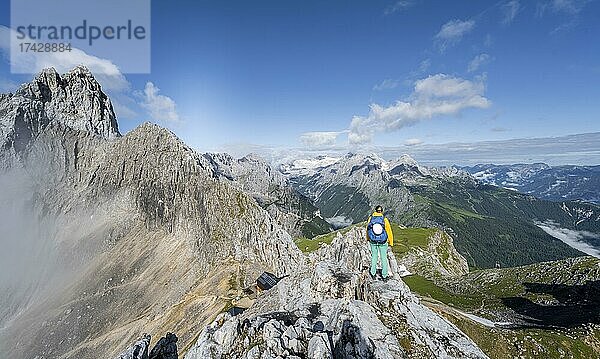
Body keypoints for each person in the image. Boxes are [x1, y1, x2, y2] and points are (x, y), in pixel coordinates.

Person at [366, 205, 393, 280]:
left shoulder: (370, 218)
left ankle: (373, 273)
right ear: (381, 211)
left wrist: (368, 238)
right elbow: (389, 231)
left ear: (375, 211)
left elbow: (368, 230)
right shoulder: (384, 219)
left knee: (374, 256)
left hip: (373, 241)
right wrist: (391, 242)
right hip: (383, 242)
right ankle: (384, 275)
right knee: (383, 258)